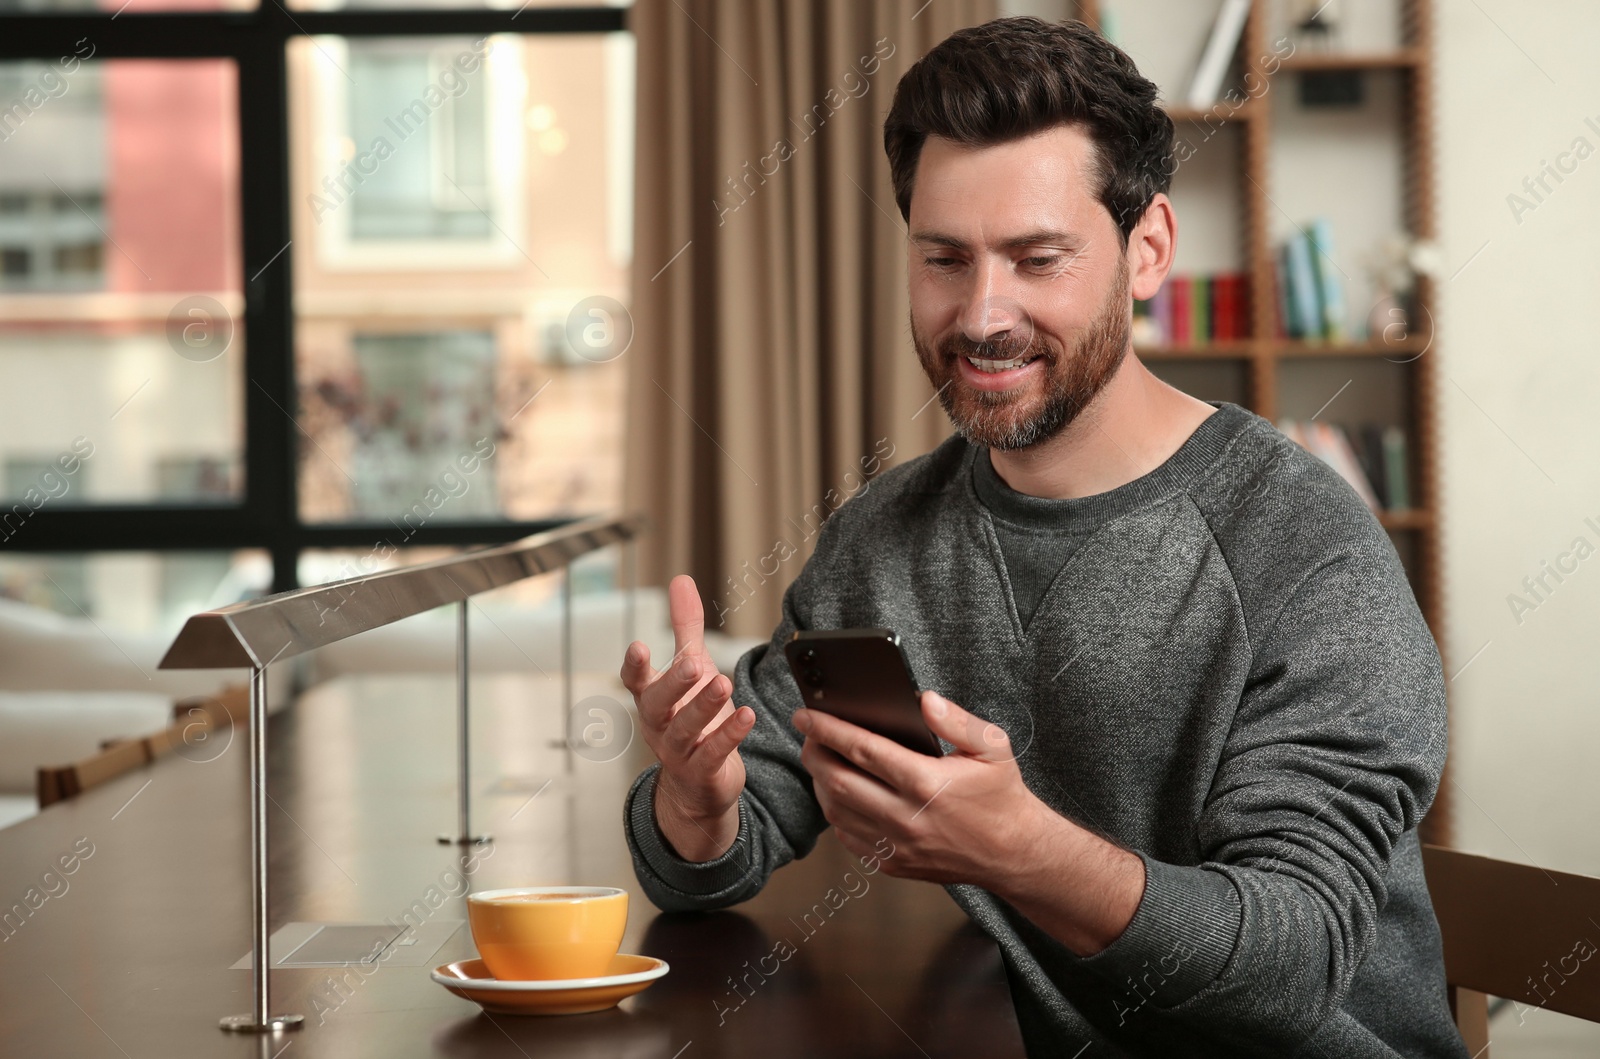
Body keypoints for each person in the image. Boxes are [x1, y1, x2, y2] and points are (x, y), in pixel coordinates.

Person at [618, 16, 1468, 1058]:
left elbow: (1288, 967)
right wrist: (696, 802)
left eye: (1036, 259)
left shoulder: (1305, 549)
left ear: (1146, 248)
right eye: (944, 259)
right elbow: (715, 856)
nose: (981, 315)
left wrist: (1021, 850)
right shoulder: (880, 541)